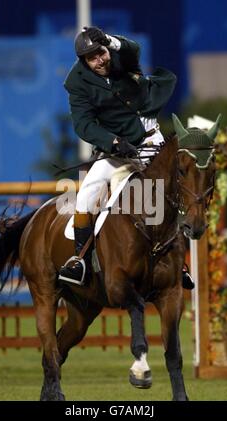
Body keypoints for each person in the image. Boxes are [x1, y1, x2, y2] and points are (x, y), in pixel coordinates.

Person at [59, 26, 194, 289]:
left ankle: (180, 262)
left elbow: (134, 50)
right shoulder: (76, 82)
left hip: (150, 138)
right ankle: (80, 260)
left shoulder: (120, 56)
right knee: (86, 196)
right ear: (83, 61)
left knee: (172, 188)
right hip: (115, 148)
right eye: (93, 58)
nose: (100, 61)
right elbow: (83, 125)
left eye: (101, 53)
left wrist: (110, 41)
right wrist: (113, 141)